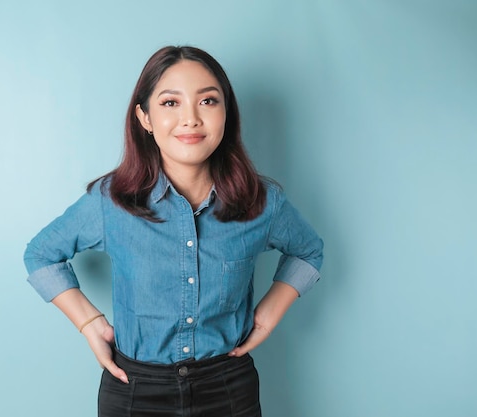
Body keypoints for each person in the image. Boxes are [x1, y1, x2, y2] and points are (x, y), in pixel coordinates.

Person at [23, 45, 323, 417]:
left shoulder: (262, 202)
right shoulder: (111, 201)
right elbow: (40, 254)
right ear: (144, 118)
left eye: (208, 101)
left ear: (226, 113)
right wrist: (89, 323)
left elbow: (309, 250)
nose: (191, 119)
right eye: (170, 103)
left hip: (229, 389)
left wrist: (267, 315)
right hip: (134, 391)